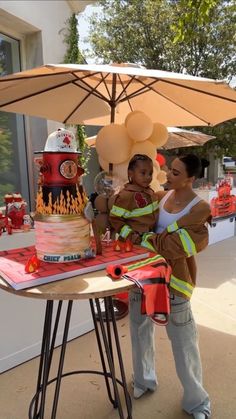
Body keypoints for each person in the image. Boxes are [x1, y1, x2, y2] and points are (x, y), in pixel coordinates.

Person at [129, 154, 211, 419]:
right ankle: (143, 381)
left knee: (184, 342)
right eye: (169, 169)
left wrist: (146, 239)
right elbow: (137, 226)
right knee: (139, 330)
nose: (167, 174)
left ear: (190, 178)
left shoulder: (200, 208)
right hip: (144, 276)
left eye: (175, 173)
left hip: (175, 282)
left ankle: (197, 403)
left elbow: (180, 247)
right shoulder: (159, 197)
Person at [109, 154, 159, 244]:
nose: (148, 177)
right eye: (143, 173)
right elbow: (115, 219)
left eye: (150, 173)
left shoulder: (150, 192)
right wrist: (131, 236)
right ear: (130, 173)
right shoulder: (126, 196)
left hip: (149, 237)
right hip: (134, 242)